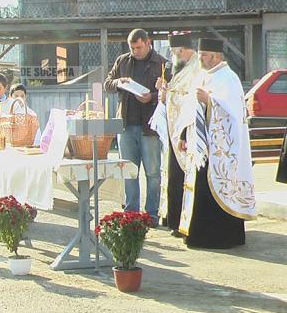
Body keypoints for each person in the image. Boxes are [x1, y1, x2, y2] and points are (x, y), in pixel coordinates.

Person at [178, 38, 255, 248]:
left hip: (222, 149)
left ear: (216, 56)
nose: (200, 58)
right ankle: (198, 235)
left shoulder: (228, 78)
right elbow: (190, 108)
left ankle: (221, 237)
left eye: (204, 55)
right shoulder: (202, 76)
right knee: (200, 188)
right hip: (201, 146)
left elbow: (234, 112)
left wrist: (210, 101)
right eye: (200, 54)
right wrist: (185, 135)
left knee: (217, 188)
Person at [104, 29, 171, 227]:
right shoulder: (123, 61)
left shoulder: (161, 63)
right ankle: (131, 213)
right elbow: (108, 83)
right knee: (128, 171)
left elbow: (169, 90)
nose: (135, 51)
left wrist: (152, 94)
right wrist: (119, 82)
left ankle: (151, 214)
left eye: (139, 47)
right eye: (132, 48)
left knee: (152, 172)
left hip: (149, 126)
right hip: (126, 124)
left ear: (148, 43)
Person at [154, 32, 203, 236]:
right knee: (174, 175)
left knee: (184, 177)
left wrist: (169, 95)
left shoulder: (197, 68)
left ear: (182, 50)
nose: (172, 56)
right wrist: (164, 92)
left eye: (174, 52)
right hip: (175, 132)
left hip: (188, 133)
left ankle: (184, 223)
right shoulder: (181, 67)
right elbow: (175, 93)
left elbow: (192, 99)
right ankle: (173, 219)